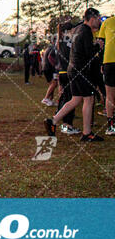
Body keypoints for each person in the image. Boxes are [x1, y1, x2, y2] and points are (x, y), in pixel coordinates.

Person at [44, 8, 104, 142]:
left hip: (73, 69)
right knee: (89, 99)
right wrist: (98, 46)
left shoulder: (78, 29)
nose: (99, 21)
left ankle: (52, 121)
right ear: (92, 18)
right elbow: (88, 53)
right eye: (98, 18)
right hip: (80, 70)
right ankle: (87, 133)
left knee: (75, 99)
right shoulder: (86, 31)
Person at [98, 15, 115, 135]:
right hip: (108, 62)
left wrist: (100, 63)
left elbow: (100, 44)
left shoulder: (107, 22)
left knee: (109, 95)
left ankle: (111, 125)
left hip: (109, 62)